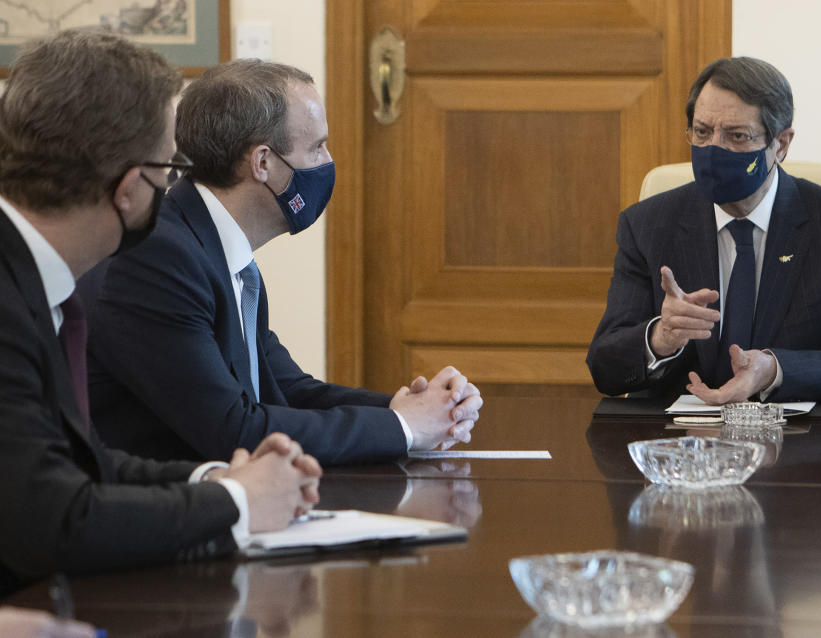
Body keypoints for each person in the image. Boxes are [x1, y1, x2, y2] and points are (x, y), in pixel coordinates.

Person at [0, 30, 321, 595]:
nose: (174, 189)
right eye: (169, 169)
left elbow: (82, 465)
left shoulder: (28, 277)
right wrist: (237, 501)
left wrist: (222, 478)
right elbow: (57, 520)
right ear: (128, 189)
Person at [81, 59, 482, 465]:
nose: (328, 160)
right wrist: (405, 427)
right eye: (317, 147)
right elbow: (235, 432)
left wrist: (410, 407)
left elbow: (287, 389)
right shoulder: (159, 259)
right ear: (263, 163)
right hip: (159, 513)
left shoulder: (214, 248)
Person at [586, 56, 821, 404]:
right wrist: (660, 337)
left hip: (798, 447)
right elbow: (604, 368)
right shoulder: (648, 225)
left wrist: (774, 370)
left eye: (737, 136)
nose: (714, 149)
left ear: (781, 144)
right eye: (702, 132)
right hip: (680, 446)